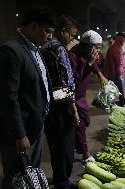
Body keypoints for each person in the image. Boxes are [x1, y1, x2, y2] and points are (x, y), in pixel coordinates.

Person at [0, 6, 54, 189]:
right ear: (34, 27)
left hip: (33, 125)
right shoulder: (10, 51)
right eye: (47, 31)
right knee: (16, 178)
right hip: (18, 132)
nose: (50, 36)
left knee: (29, 176)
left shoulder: (32, 48)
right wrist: (19, 134)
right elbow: (7, 97)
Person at [42, 15, 79, 189]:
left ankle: (59, 180)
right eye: (71, 35)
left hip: (49, 102)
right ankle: (63, 182)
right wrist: (72, 106)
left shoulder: (43, 46)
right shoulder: (58, 49)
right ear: (63, 32)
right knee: (65, 145)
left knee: (55, 144)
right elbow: (65, 80)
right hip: (61, 103)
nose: (71, 39)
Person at [68, 30, 107, 163]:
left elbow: (95, 64)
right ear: (88, 46)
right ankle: (85, 153)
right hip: (74, 96)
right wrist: (89, 63)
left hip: (82, 95)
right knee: (80, 124)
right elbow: (74, 79)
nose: (98, 51)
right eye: (96, 47)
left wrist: (100, 74)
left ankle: (75, 144)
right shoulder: (73, 56)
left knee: (84, 120)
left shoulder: (86, 53)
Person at [106, 36, 125, 106]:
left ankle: (113, 103)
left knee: (112, 89)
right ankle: (119, 103)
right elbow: (119, 64)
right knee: (119, 89)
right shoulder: (118, 50)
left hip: (110, 72)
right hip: (116, 74)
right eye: (123, 42)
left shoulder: (111, 48)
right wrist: (120, 74)